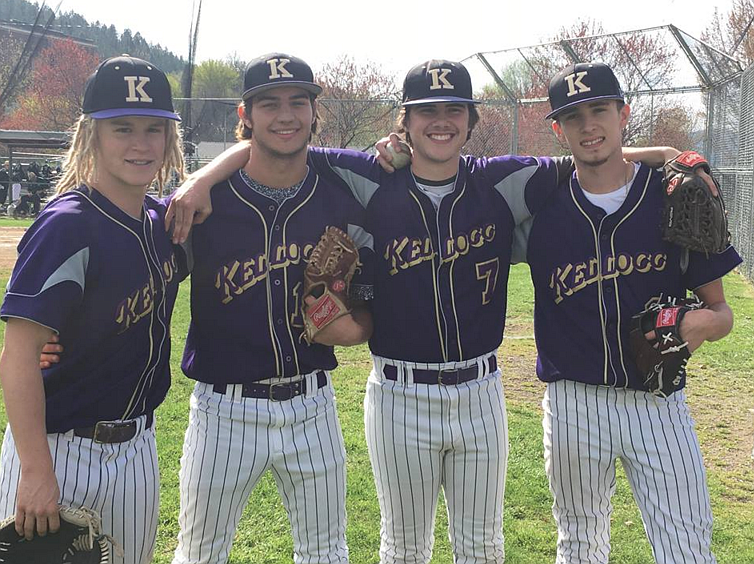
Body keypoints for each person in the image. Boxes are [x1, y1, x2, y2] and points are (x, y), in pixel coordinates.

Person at [516, 62, 742, 563]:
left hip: (657, 403)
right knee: (579, 545)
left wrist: (699, 322)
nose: (588, 125)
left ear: (624, 113)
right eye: (573, 117)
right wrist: (663, 152)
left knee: (686, 546)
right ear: (558, 129)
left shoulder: (673, 194)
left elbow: (722, 313)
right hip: (573, 402)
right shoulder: (542, 203)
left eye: (600, 110)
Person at [169, 52, 374, 564]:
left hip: (313, 407)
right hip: (224, 409)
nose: (286, 115)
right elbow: (141, 279)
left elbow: (377, 287)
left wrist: (358, 325)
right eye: (269, 103)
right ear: (246, 115)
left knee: (327, 551)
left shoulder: (339, 195)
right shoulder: (207, 205)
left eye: (297, 102)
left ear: (313, 113)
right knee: (200, 554)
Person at [0, 55, 185, 564]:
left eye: (154, 129)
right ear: (91, 137)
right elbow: (18, 356)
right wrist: (36, 473)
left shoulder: (163, 222)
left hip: (138, 449)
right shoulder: (68, 224)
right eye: (121, 127)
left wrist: (197, 184)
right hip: (60, 448)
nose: (140, 143)